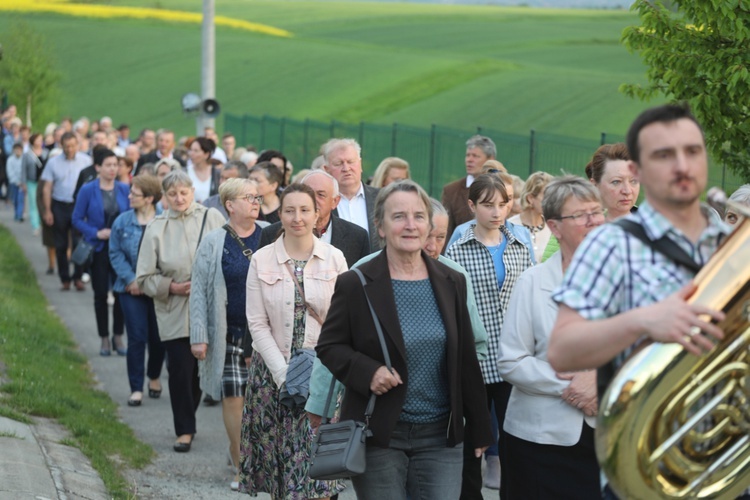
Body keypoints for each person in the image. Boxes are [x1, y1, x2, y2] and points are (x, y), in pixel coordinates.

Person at [547, 105, 730, 498]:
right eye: (664, 155)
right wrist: (643, 320)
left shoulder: (727, 241)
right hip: (647, 466)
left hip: (725, 454)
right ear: (640, 173)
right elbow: (562, 349)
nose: (682, 164)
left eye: (692, 151)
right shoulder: (612, 242)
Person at [316, 180, 493, 500]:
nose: (410, 225)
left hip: (441, 436)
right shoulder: (356, 282)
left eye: (418, 216)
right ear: (380, 227)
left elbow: (465, 357)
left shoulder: (452, 281)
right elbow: (329, 346)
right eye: (399, 216)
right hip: (379, 432)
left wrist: (480, 425)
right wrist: (367, 371)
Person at [497, 176, 605, 499]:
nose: (594, 222)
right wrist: (574, 386)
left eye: (596, 212)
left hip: (605, 441)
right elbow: (511, 361)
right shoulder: (532, 282)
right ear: (555, 228)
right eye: (581, 215)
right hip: (538, 444)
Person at [240, 183, 347, 499]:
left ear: (317, 215)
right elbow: (257, 324)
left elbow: (344, 322)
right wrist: (283, 374)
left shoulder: (334, 259)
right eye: (290, 210)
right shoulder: (261, 259)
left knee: (319, 477)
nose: (297, 217)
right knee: (281, 475)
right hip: (273, 379)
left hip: (322, 375)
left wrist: (319, 375)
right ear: (280, 215)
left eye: (304, 210)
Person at [445, 174, 534, 500]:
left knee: (515, 439)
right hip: (475, 359)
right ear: (471, 206)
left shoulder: (521, 243)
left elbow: (530, 298)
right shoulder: (457, 248)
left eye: (503, 204)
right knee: (473, 441)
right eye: (487, 205)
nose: (497, 212)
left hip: (513, 355)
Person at [136, 170, 225, 452]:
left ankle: (189, 415)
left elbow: (227, 256)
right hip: (173, 308)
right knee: (179, 369)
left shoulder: (212, 218)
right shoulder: (156, 227)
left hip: (210, 307)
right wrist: (172, 287)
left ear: (192, 192)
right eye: (172, 194)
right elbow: (144, 278)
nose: (179, 198)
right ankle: (184, 429)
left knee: (199, 370)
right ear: (164, 196)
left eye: (184, 192)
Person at [190, 178, 264, 491]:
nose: (255, 201)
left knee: (260, 401)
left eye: (257, 196)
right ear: (229, 205)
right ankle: (241, 465)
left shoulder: (272, 233)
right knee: (234, 397)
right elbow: (199, 289)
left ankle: (263, 461)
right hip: (229, 333)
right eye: (248, 197)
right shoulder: (212, 242)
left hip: (265, 333)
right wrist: (199, 334)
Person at [109, 174, 166, 406]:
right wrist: (132, 280)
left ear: (149, 198)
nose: (129, 196)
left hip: (158, 289)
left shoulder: (165, 221)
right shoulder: (122, 221)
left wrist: (152, 283)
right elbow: (115, 252)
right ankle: (136, 388)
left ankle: (153, 375)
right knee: (136, 336)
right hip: (129, 288)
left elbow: (171, 257)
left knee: (158, 337)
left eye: (135, 193)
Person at [72, 149, 130, 356]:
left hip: (121, 250)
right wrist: (96, 232)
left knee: (121, 293)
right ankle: (104, 338)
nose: (113, 169)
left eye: (116, 164)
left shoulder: (124, 189)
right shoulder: (88, 190)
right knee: (99, 294)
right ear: (98, 167)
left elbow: (131, 216)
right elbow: (76, 219)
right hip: (98, 249)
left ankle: (118, 336)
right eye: (108, 165)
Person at [258, 170, 371, 268]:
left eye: (321, 195)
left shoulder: (357, 237)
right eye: (309, 194)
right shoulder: (270, 234)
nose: (313, 200)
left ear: (335, 201)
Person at [41, 132, 92, 291]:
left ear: (77, 145)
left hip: (79, 206)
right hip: (60, 205)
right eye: (66, 146)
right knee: (61, 244)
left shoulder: (86, 161)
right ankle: (65, 278)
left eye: (72, 145)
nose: (69, 149)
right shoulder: (53, 162)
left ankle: (78, 276)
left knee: (78, 242)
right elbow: (47, 187)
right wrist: (48, 210)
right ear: (61, 145)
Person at [322, 138, 380, 251]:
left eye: (351, 162)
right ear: (326, 170)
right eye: (338, 163)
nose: (346, 168)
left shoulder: (381, 199)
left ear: (360, 164)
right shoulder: (321, 202)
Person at [441, 135, 497, 240]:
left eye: (475, 156)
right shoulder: (451, 191)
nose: (469, 160)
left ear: (490, 159)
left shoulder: (504, 189)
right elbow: (446, 233)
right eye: (467, 155)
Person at [508, 171, 554, 263]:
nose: (551, 201)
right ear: (530, 198)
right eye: (546, 196)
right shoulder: (510, 226)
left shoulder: (553, 227)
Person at [586, 143, 640, 220]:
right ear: (594, 185)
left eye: (634, 181)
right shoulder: (580, 228)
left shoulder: (655, 227)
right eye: (616, 182)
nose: (627, 191)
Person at [22, 133, 47, 234]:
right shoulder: (27, 154)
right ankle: (35, 225)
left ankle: (42, 222)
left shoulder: (46, 152)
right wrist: (23, 183)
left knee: (43, 203)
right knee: (33, 203)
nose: (40, 142)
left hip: (44, 182)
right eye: (38, 140)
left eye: (41, 139)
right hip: (32, 182)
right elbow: (23, 169)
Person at [187, 137, 221, 203]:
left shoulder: (216, 173)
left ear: (206, 154)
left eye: (196, 151)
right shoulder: (185, 172)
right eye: (190, 150)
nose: (191, 153)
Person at [6, 142, 25, 222]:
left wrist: (22, 181)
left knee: (21, 199)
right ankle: (16, 213)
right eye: (16, 149)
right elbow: (10, 172)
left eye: (19, 149)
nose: (18, 151)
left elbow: (24, 171)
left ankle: (19, 214)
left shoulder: (24, 159)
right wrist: (16, 181)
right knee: (15, 199)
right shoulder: (10, 160)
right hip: (14, 183)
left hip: (22, 183)